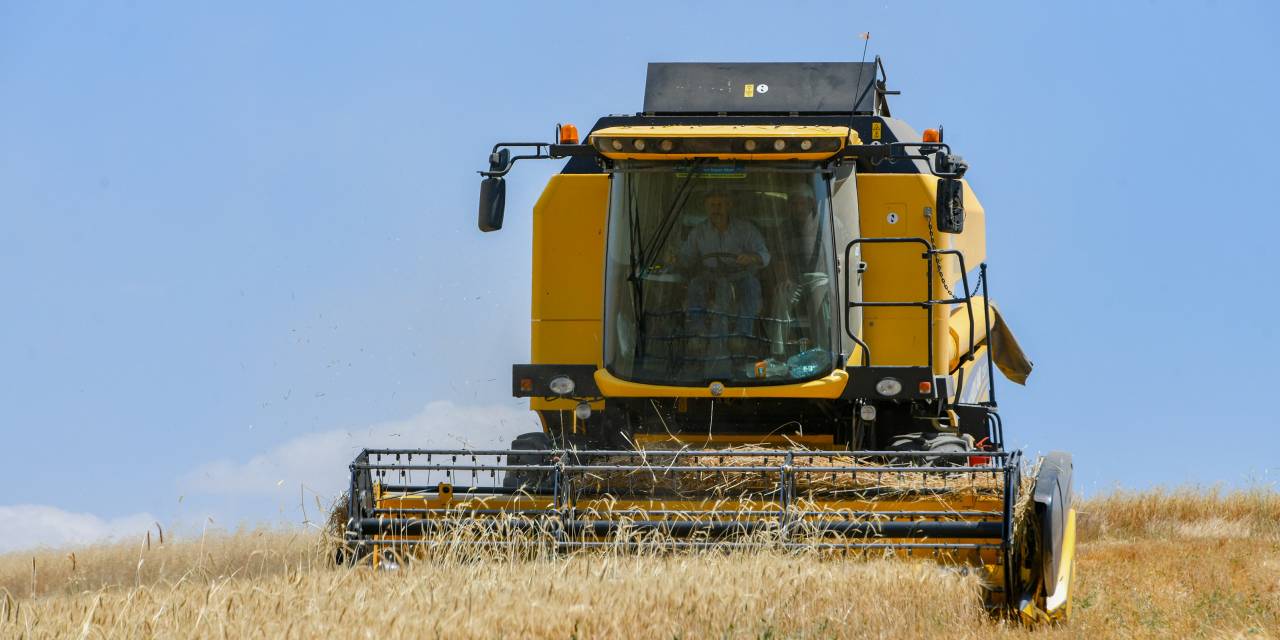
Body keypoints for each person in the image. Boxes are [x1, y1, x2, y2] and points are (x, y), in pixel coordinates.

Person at [678, 192, 770, 342]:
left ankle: (741, 336)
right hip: (710, 277)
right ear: (706, 208)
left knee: (751, 285)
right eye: (712, 205)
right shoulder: (698, 232)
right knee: (695, 285)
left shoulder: (746, 229)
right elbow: (686, 257)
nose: (716, 209)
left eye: (720, 205)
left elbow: (765, 255)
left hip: (739, 276)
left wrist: (752, 257)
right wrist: (675, 258)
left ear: (729, 206)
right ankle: (697, 335)